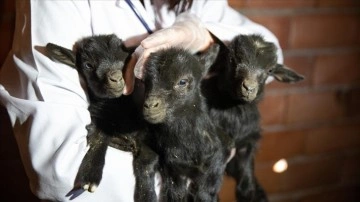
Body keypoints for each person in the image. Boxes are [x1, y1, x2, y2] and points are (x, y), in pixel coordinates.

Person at [0, 0, 283, 201]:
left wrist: (206, 37)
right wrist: (196, 173)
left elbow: (272, 53)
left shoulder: (191, 4)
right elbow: (59, 171)